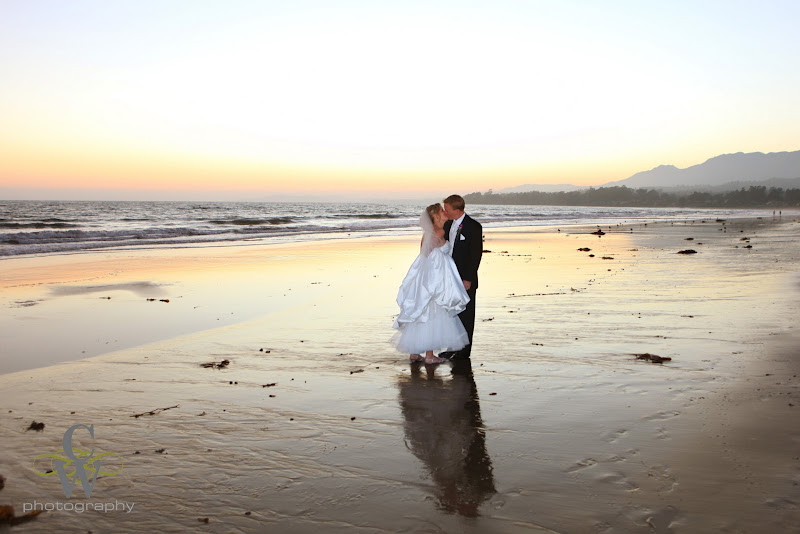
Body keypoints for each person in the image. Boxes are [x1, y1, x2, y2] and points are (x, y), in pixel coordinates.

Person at [392, 203, 470, 365]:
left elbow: (423, 254)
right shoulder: (439, 231)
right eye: (442, 210)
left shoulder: (429, 232)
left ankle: (414, 353)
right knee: (434, 311)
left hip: (430, 273)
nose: (444, 212)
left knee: (422, 311)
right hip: (437, 274)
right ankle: (429, 355)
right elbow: (428, 252)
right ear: (435, 215)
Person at [440, 194, 482, 360]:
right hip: (449, 277)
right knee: (452, 313)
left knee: (466, 314)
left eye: (447, 209)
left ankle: (464, 351)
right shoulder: (449, 224)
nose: (445, 211)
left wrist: (468, 279)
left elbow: (475, 255)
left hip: (465, 278)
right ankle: (452, 347)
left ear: (456, 210)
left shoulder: (473, 227)